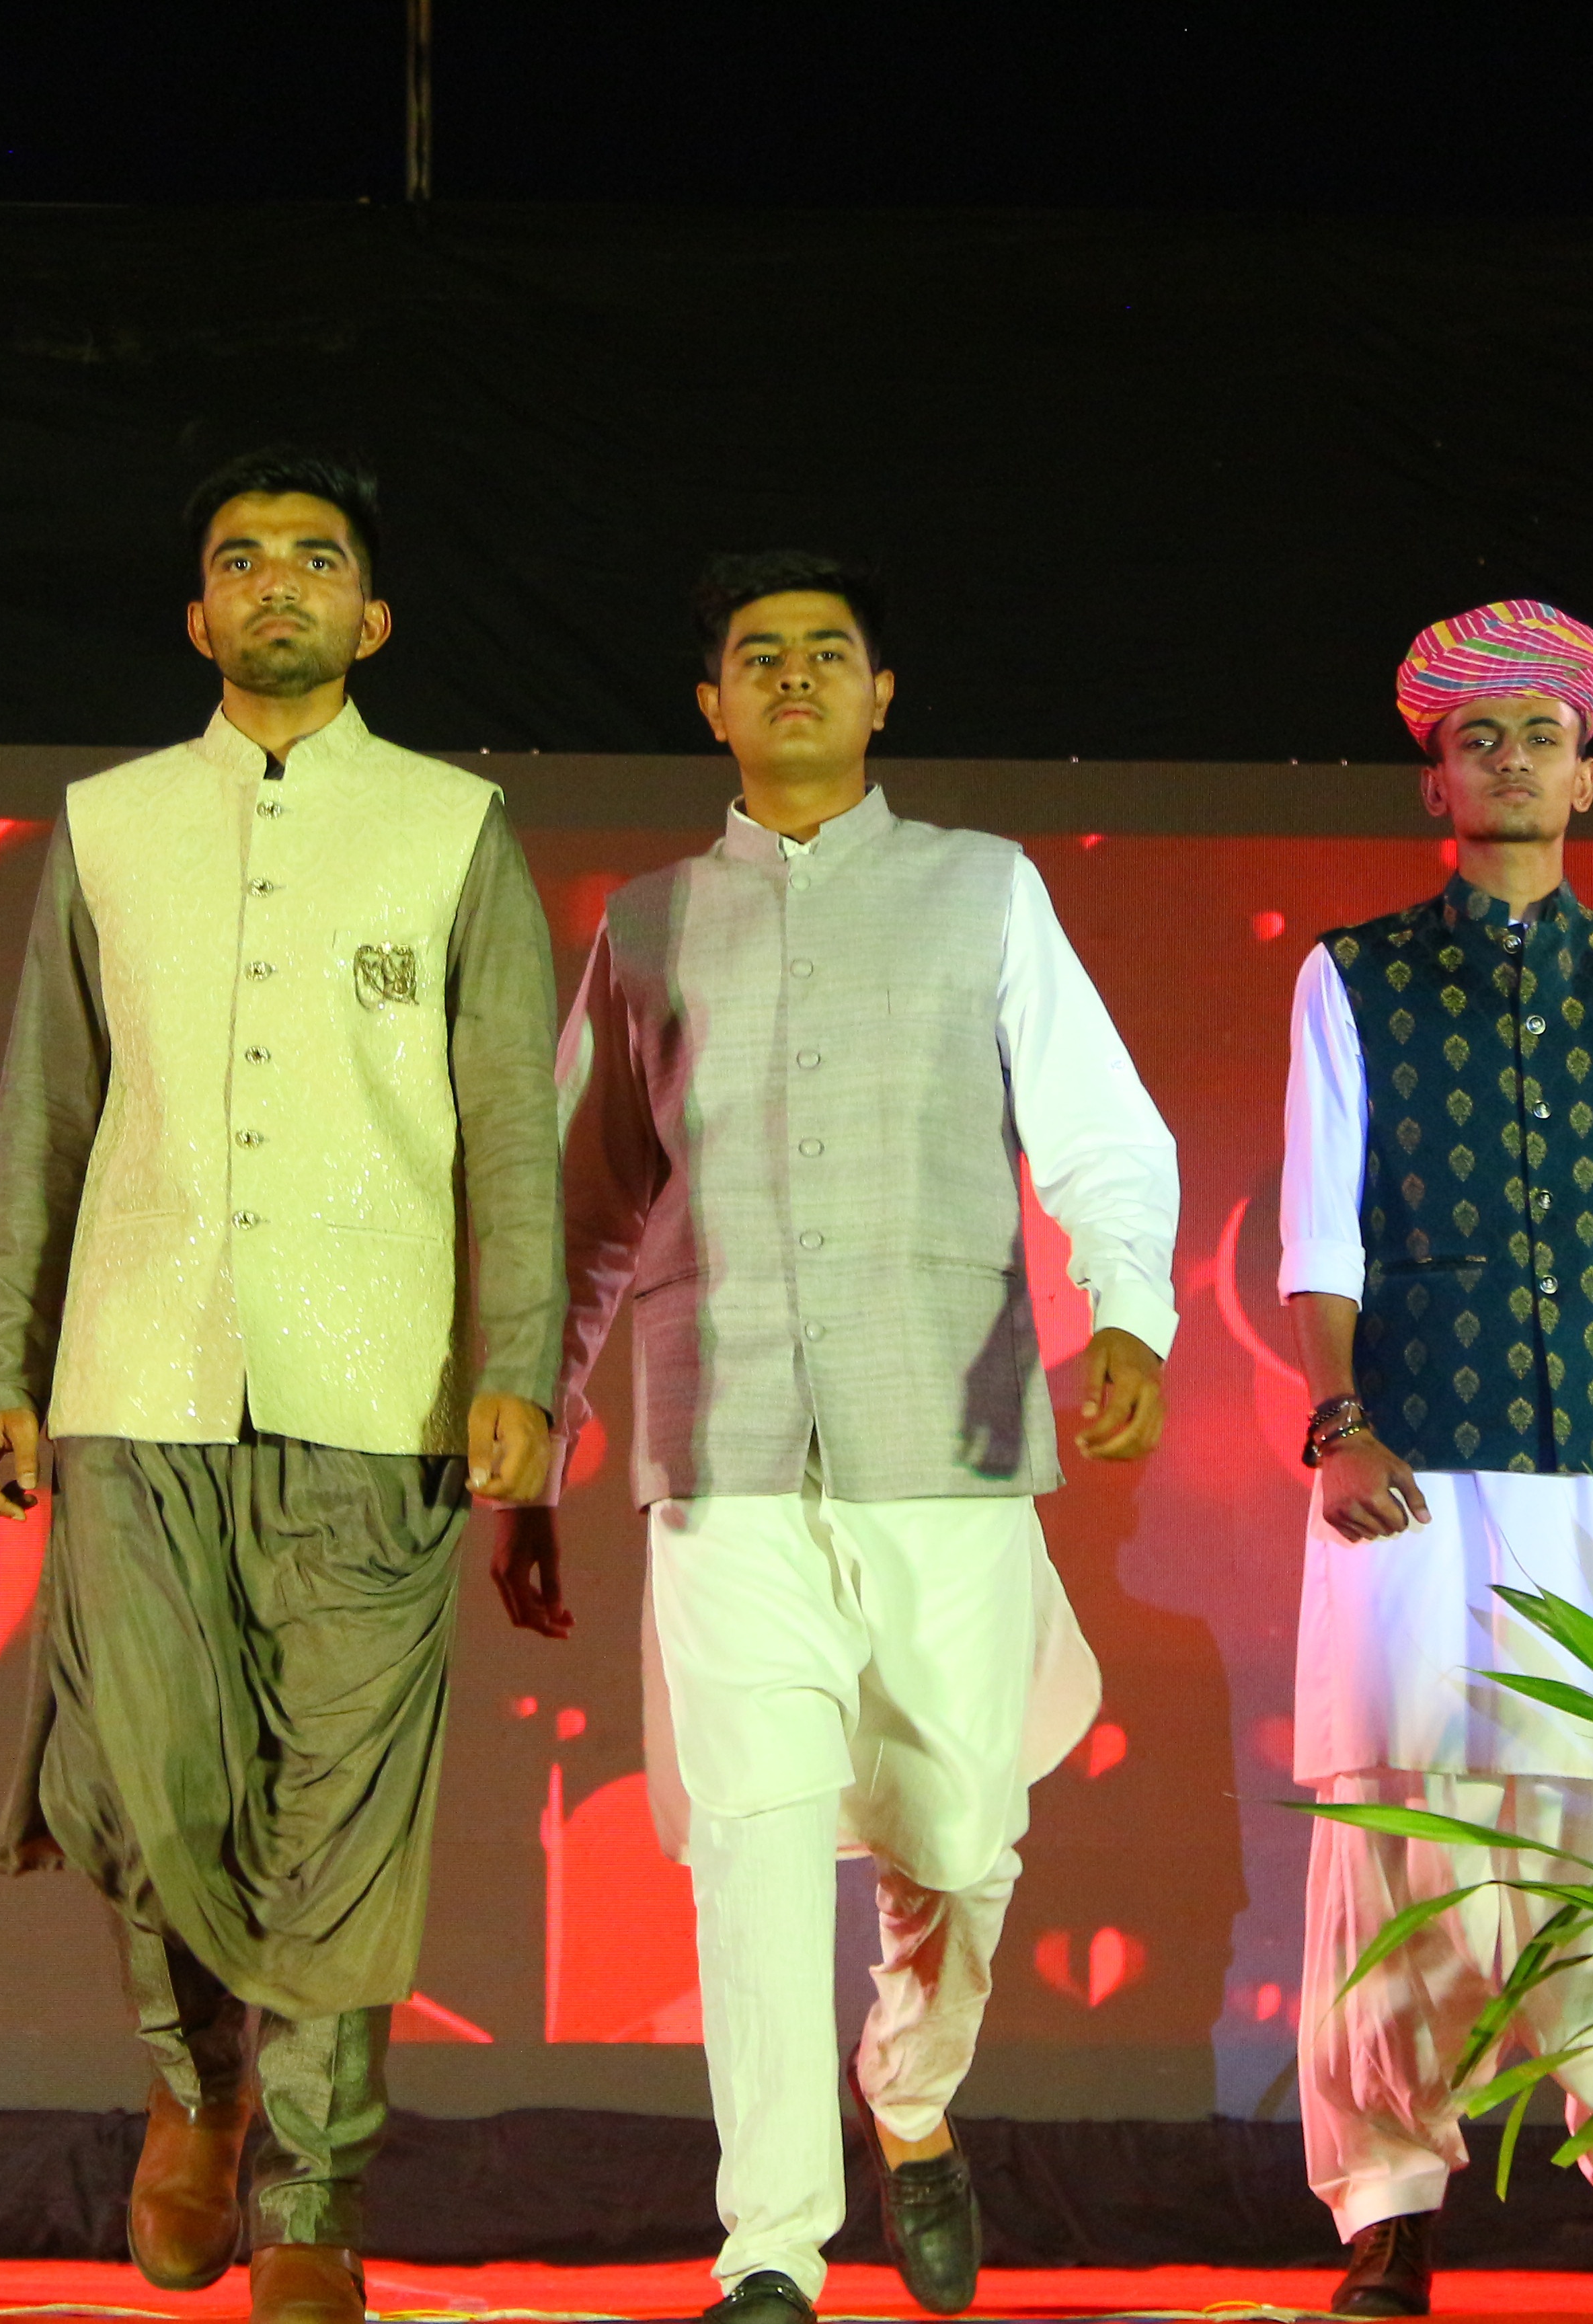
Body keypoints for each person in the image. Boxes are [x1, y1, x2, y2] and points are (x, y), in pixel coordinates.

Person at [502, 553, 1179, 2324]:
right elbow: (583, 1211)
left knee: (959, 1843)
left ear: (882, 695)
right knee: (751, 1843)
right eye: (758, 656)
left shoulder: (985, 889)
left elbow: (1103, 1130)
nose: (793, 677)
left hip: (945, 1435)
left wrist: (1129, 1312)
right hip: (722, 1453)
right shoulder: (649, 925)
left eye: (828, 654)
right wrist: (540, 1443)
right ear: (711, 704)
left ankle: (915, 2097)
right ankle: (772, 2247)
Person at [0, 448, 565, 2324]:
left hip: (378, 1386)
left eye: (314, 558)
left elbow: (512, 1129)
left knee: (341, 1808)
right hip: (134, 1371)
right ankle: (192, 2076)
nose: (275, 582)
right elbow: (47, 1108)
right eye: (241, 558)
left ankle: (311, 2190)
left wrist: (521, 1369)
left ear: (371, 618)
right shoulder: (113, 821)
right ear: (197, 613)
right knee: (144, 1777)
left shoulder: (454, 828)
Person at [1277, 601, 1593, 2315]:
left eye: (1540, 737)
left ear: (1588, 777)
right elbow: (1321, 1232)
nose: (1510, 762)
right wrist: (1339, 1424)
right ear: (1436, 784)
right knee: (1401, 1835)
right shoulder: (1350, 974)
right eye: (1475, 740)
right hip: (1413, 1479)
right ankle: (1390, 2206)